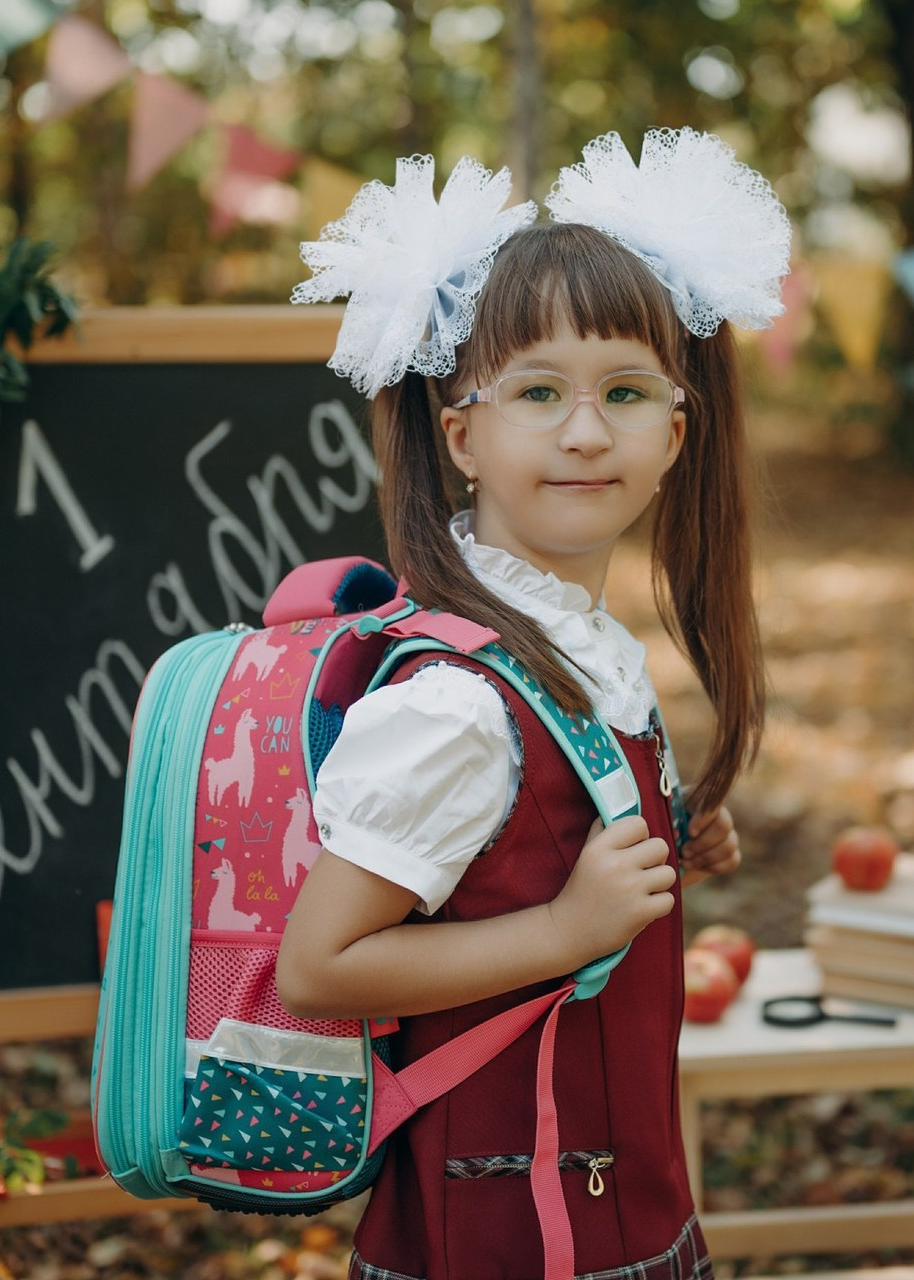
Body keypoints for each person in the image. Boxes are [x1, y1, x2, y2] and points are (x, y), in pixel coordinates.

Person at [277, 127, 791, 1280]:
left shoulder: (582, 649)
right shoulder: (456, 697)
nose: (582, 429)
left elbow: (514, 850)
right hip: (500, 1242)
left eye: (622, 390)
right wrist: (563, 929)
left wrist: (664, 848)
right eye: (537, 392)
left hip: (622, 1207)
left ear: (673, 428)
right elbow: (319, 963)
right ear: (460, 434)